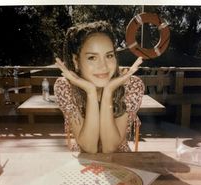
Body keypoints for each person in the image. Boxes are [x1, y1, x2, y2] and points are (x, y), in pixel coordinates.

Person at [54, 20, 144, 154]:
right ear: (76, 61)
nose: (103, 66)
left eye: (109, 55)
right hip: (84, 164)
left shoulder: (131, 85)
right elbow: (89, 147)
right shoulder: (65, 87)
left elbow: (109, 148)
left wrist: (108, 92)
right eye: (92, 58)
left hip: (121, 161)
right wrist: (90, 92)